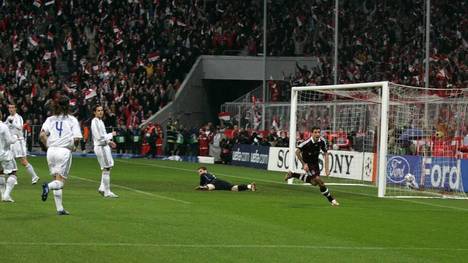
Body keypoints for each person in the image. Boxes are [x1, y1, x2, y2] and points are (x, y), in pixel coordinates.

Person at [40, 95, 83, 215]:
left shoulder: (50, 119)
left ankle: (59, 209)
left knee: (56, 178)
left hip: (51, 151)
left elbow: (42, 135)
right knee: (60, 181)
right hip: (63, 151)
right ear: (68, 106)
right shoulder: (72, 120)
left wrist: (47, 145)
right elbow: (77, 138)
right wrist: (74, 147)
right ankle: (47, 187)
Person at [284, 126, 339, 206]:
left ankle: (292, 174)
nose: (317, 134)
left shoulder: (322, 141)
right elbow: (297, 152)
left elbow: (326, 154)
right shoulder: (307, 143)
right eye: (315, 132)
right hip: (308, 164)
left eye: (318, 132)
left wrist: (327, 169)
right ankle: (332, 200)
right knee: (319, 180)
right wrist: (304, 164)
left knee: (314, 183)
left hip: (315, 164)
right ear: (312, 133)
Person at [6, 104, 40, 184]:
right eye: (9, 108)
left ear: (15, 109)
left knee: (23, 161)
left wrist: (12, 123)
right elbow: (6, 125)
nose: (11, 109)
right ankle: (14, 178)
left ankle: (34, 176)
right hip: (12, 142)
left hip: (19, 141)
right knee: (10, 159)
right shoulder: (8, 117)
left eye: (12, 108)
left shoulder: (18, 117)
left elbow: (20, 127)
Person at [91, 105, 118, 198]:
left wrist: (109, 142)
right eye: (98, 110)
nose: (100, 112)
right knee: (106, 168)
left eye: (101, 110)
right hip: (101, 147)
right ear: (94, 112)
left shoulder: (100, 121)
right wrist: (111, 135)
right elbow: (100, 137)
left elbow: (102, 135)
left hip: (104, 146)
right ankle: (107, 192)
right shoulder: (95, 122)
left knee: (107, 168)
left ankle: (102, 188)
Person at [0, 111, 19, 202]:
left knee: (0, 173)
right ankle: (6, 195)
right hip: (4, 154)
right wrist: (15, 137)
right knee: (13, 173)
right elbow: (9, 141)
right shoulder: (3, 127)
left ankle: (3, 194)